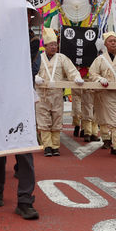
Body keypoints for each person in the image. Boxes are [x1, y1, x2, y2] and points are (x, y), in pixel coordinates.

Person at [0, 6, 40, 220]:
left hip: (21, 100)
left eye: (29, 14)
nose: (27, 17)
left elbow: (27, 65)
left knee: (25, 150)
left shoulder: (32, 41)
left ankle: (25, 200)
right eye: (23, 13)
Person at [34, 28, 83, 157]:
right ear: (45, 46)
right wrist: (34, 77)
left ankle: (55, 146)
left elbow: (71, 70)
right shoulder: (38, 57)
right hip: (42, 94)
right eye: (51, 45)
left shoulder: (62, 58)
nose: (54, 47)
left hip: (56, 94)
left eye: (55, 45)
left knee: (57, 119)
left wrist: (76, 77)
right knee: (43, 120)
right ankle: (47, 146)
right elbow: (31, 70)